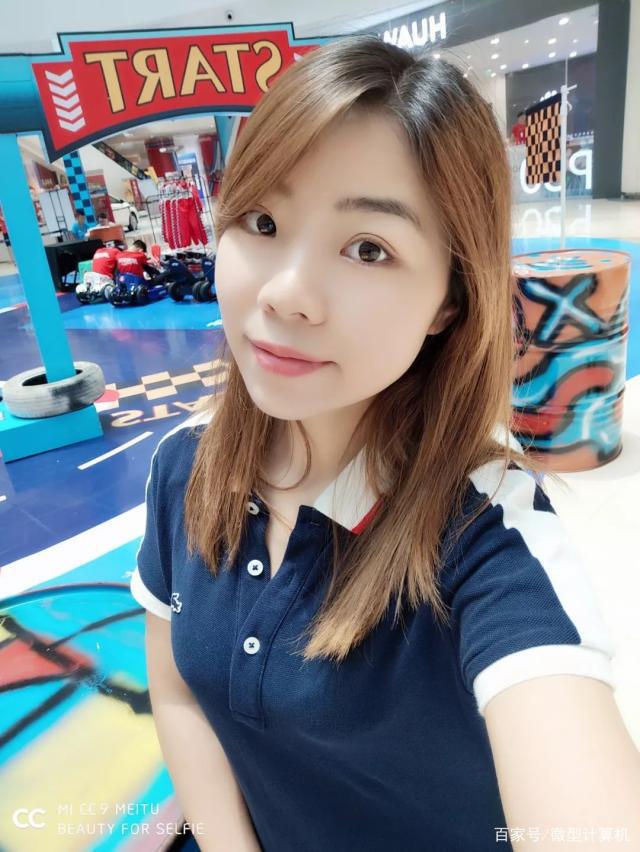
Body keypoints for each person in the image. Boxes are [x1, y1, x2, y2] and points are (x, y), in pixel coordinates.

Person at [129, 36, 640, 852]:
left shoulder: (486, 539)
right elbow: (180, 695)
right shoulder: (184, 469)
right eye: (262, 221)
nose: (286, 294)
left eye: (369, 248)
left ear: (450, 300)